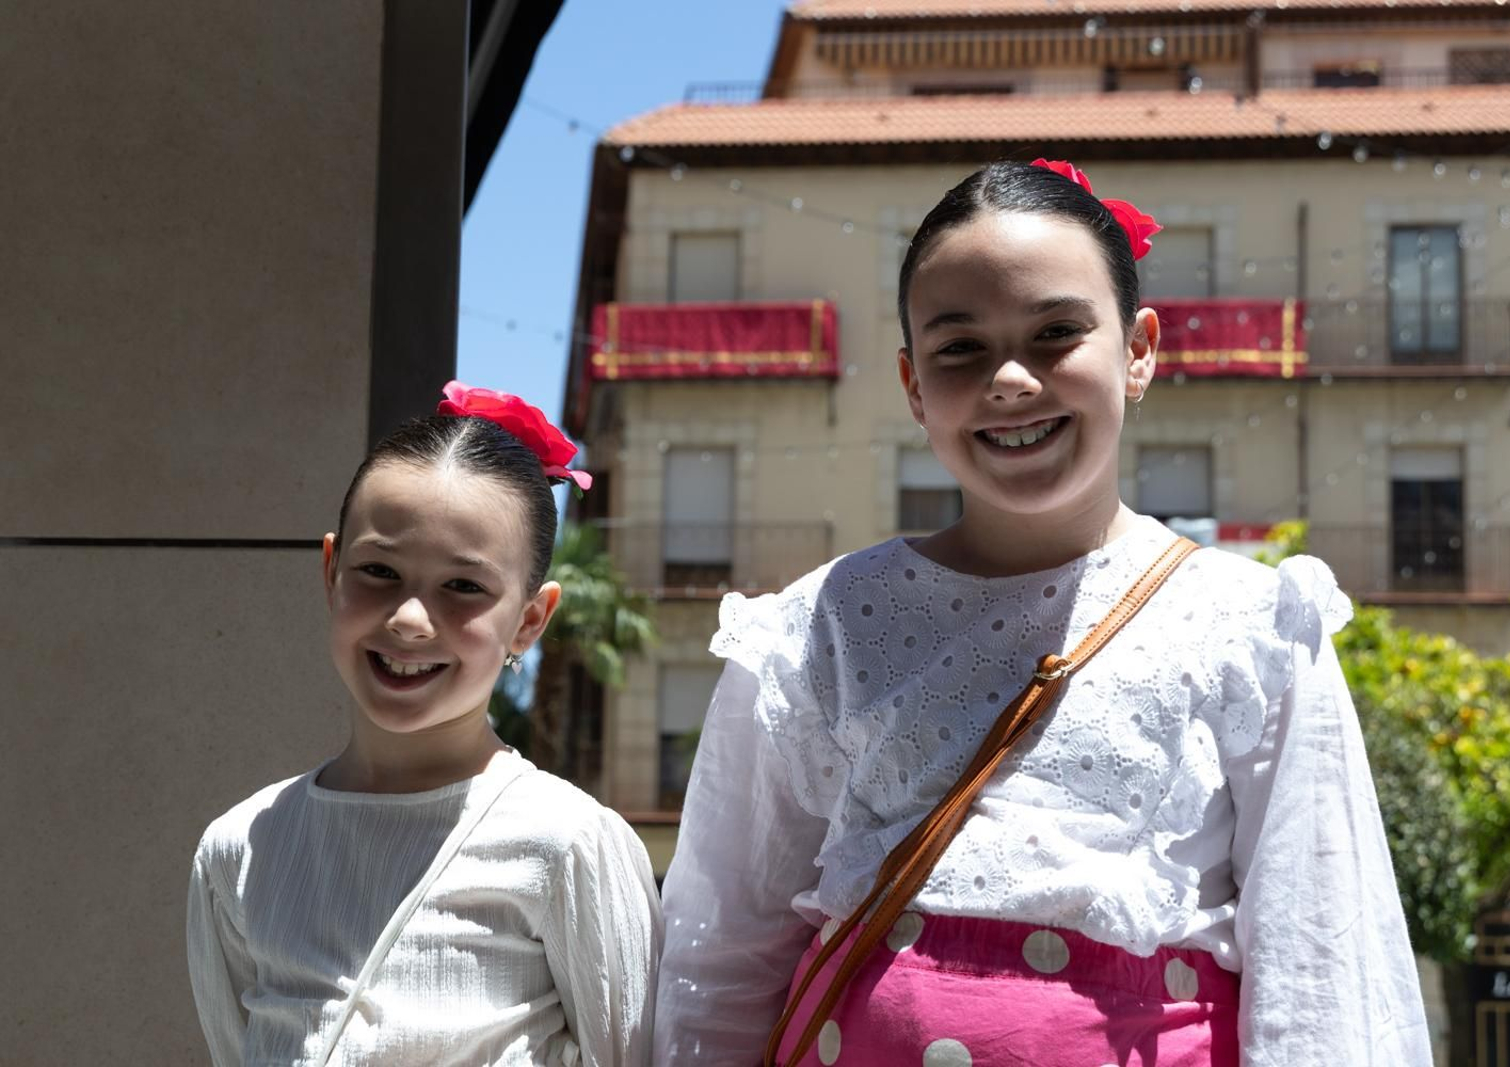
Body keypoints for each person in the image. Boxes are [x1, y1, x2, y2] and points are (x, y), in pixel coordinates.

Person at [653, 161, 1429, 1065]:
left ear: (1138, 349)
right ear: (912, 383)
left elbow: (1321, 952)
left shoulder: (1251, 623)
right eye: (960, 348)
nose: (1011, 379)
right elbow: (722, 952)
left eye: (1056, 332)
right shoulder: (816, 625)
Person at [187, 382, 661, 1067]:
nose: (409, 619)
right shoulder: (239, 850)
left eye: (463, 586)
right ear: (331, 571)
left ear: (530, 619)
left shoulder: (569, 843)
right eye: (378, 570)